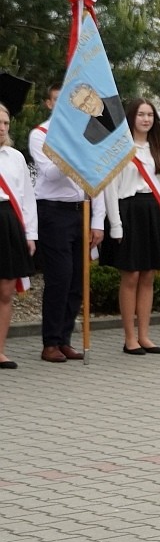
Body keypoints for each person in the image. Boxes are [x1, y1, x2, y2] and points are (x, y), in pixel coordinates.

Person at [30, 89, 107, 362]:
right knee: (60, 277)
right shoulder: (40, 134)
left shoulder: (85, 133)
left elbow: (95, 179)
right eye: (58, 100)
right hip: (53, 212)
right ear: (49, 104)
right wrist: (71, 146)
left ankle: (64, 338)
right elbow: (51, 173)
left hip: (80, 210)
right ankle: (50, 341)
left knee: (78, 278)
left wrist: (98, 221)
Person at [99, 98, 160, 355]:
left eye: (150, 115)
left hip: (152, 211)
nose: (146, 119)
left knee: (149, 275)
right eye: (141, 114)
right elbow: (110, 188)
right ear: (131, 117)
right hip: (128, 211)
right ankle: (129, 337)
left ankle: (145, 335)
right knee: (130, 275)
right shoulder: (120, 147)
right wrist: (116, 225)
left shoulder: (156, 146)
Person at [0, 102, 37, 369]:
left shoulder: (15, 157)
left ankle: (0, 350)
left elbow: (26, 198)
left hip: (8, 223)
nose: (2, 128)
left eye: (5, 124)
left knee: (5, 291)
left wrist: (30, 234)